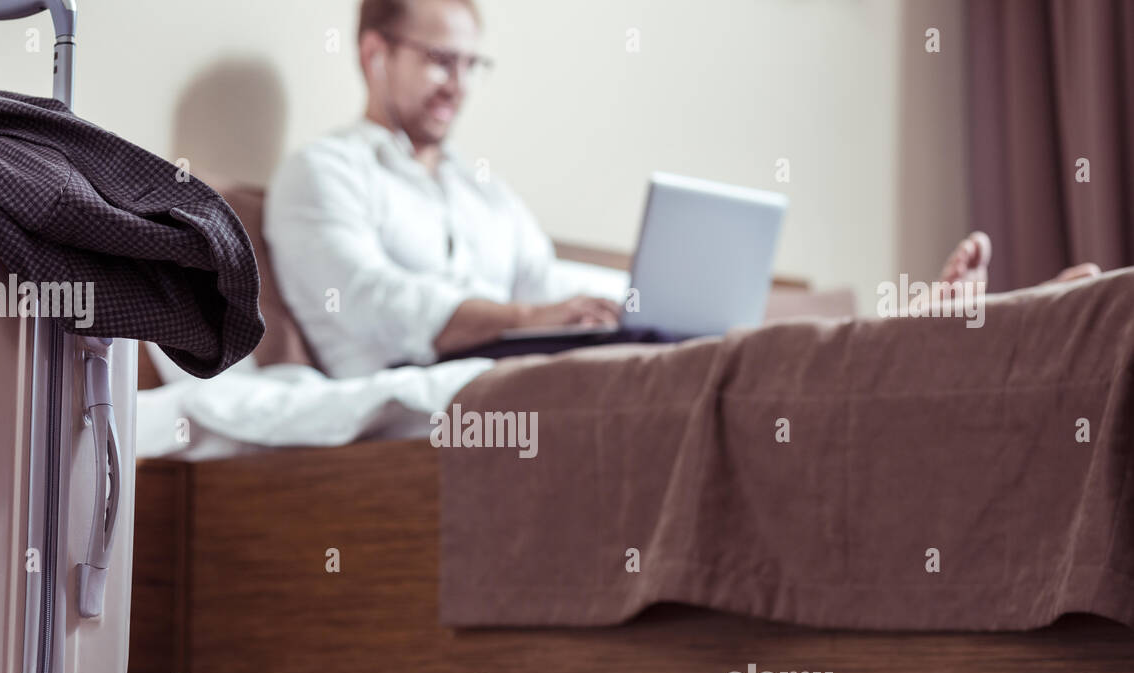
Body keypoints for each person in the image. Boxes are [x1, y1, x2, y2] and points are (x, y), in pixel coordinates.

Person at [266, 0, 1101, 379]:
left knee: (704, 333)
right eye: (439, 60)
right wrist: (527, 318)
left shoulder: (482, 198)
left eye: (470, 63)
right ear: (375, 53)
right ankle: (920, 337)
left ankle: (955, 328)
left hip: (522, 363)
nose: (459, 83)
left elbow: (554, 291)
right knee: (709, 363)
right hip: (424, 380)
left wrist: (640, 299)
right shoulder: (321, 174)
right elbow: (370, 304)